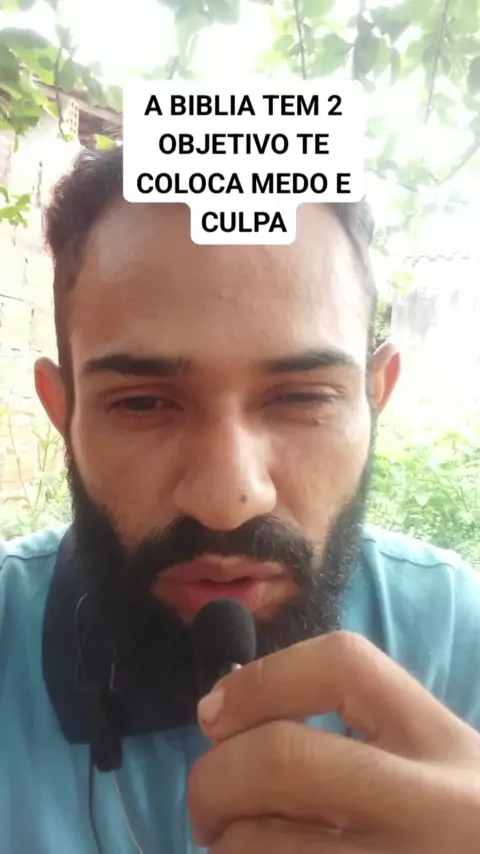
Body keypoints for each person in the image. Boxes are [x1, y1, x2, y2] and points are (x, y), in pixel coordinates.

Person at [1, 145, 479, 854]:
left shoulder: (454, 634)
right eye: (142, 403)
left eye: (302, 398)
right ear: (62, 409)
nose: (228, 502)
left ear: (375, 397)